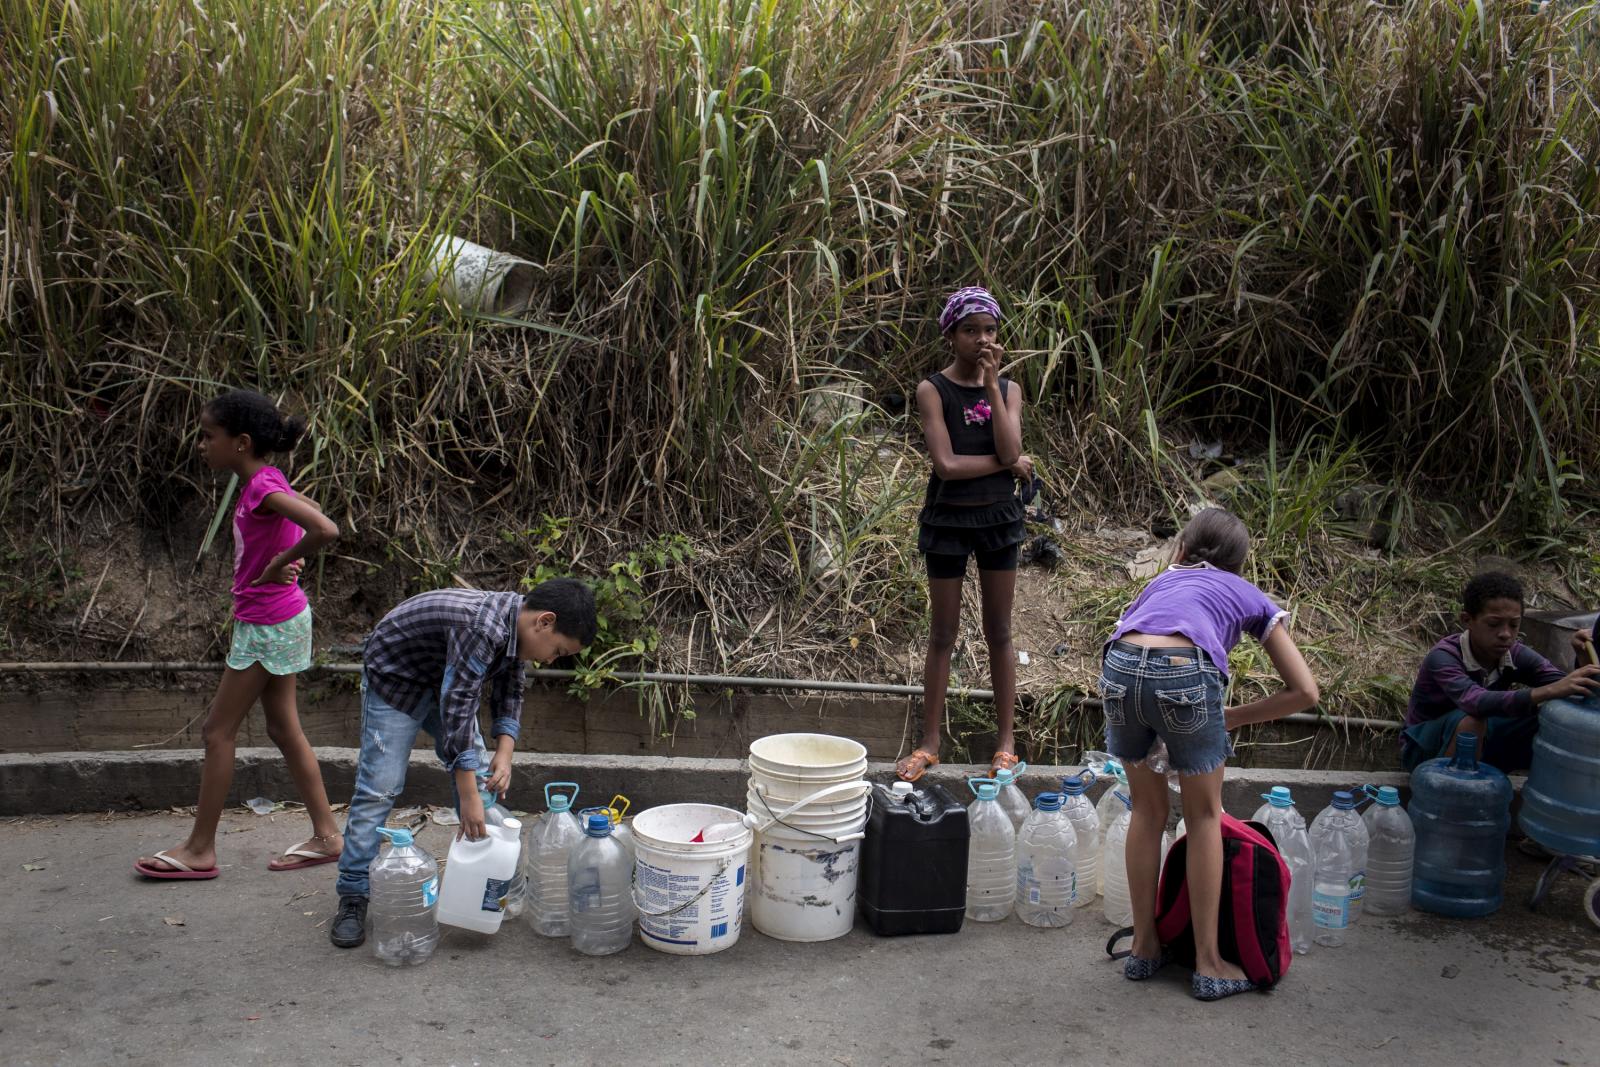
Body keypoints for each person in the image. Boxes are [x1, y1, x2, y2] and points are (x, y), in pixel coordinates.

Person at [1099, 508, 1318, 1001]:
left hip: (1118, 666)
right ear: (1239, 565)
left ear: (1180, 550)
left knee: (1148, 810)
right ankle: (1209, 963)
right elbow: (1305, 691)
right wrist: (1232, 716)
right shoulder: (1246, 593)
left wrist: (1218, 717)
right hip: (1184, 671)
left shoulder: (1159, 584)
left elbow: (1140, 652)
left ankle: (1144, 949)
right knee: (1203, 817)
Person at [135, 391, 342, 880]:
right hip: (280, 617)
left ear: (241, 443)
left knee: (217, 732)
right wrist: (288, 552)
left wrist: (277, 563)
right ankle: (329, 835)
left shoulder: (260, 488)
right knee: (282, 728)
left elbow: (324, 527)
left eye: (209, 436)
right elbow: (305, 508)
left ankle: (200, 849)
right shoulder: (266, 480)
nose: (202, 445)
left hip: (268, 624)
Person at [329, 578, 598, 948]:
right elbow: (458, 706)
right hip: (396, 679)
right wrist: (466, 793)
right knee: (380, 787)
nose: (551, 659)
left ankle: (484, 878)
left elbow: (510, 689)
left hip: (444, 677)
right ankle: (354, 893)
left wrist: (504, 753)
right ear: (544, 622)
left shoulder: (518, 628)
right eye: (558, 650)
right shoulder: (481, 627)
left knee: (481, 780)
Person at [896, 287, 1035, 783]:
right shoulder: (933, 390)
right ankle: (930, 743)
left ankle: (1005, 744)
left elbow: (1010, 442)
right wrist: (1007, 465)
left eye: (990, 331)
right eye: (971, 330)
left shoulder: (1009, 389)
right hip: (949, 520)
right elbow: (947, 465)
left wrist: (994, 384)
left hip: (1000, 519)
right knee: (943, 634)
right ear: (951, 335)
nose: (982, 339)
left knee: (1000, 631)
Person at [1403, 571, 1600, 772]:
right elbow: (1475, 702)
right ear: (1467, 620)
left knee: (1549, 719)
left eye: (1514, 625)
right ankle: (1450, 795)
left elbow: (1569, 688)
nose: (1505, 634)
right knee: (1471, 722)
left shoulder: (1515, 654)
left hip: (1484, 741)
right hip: (1425, 750)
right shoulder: (1445, 657)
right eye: (1494, 624)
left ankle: (1543, 795)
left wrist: (1583, 656)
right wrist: (1549, 691)